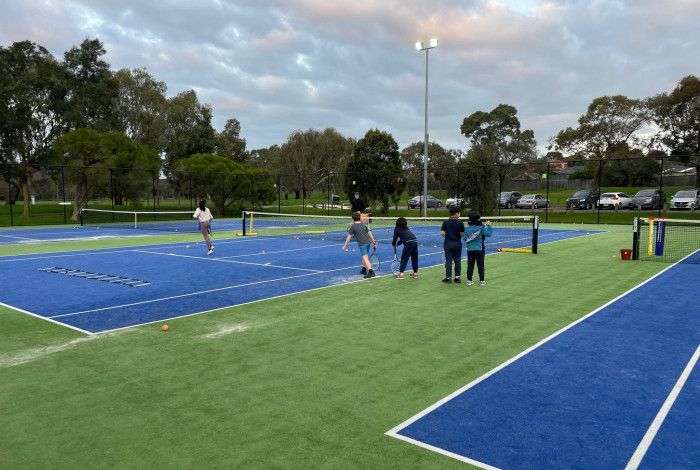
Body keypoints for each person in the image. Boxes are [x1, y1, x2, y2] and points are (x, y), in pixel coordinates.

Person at [342, 211, 378, 278]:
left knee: (365, 257)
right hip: (368, 243)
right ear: (359, 218)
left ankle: (371, 271)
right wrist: (373, 241)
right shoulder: (363, 225)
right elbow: (369, 232)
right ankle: (364, 269)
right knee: (364, 257)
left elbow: (349, 237)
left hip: (362, 244)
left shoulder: (353, 226)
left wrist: (345, 245)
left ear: (353, 219)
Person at [463, 210, 493, 286]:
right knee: (480, 265)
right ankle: (482, 281)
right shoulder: (481, 228)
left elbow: (464, 238)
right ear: (478, 218)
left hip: (470, 249)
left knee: (470, 264)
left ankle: (469, 280)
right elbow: (489, 234)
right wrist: (489, 226)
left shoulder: (467, 228)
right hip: (480, 249)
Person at [440, 206, 465, 283]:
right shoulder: (460, 223)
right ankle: (457, 277)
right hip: (457, 243)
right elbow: (462, 234)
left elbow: (442, 233)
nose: (460, 214)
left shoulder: (445, 222)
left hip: (448, 243)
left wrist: (448, 236)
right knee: (457, 260)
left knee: (448, 260)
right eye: (459, 213)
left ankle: (448, 278)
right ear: (456, 213)